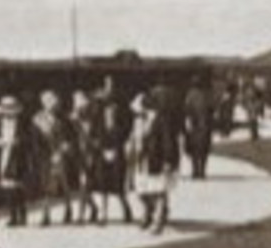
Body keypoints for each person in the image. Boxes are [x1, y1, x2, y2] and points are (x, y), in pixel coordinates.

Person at [32, 89, 80, 226]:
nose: (52, 106)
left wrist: (65, 147)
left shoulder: (62, 120)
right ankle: (45, 215)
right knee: (47, 187)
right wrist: (46, 156)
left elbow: (70, 137)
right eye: (49, 103)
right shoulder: (37, 120)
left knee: (65, 185)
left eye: (54, 104)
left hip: (61, 156)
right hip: (47, 159)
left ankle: (68, 210)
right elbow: (36, 143)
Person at [131, 92, 177, 234]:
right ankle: (147, 215)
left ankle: (158, 221)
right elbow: (136, 139)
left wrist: (168, 161)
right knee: (142, 190)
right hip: (142, 160)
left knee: (158, 191)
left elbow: (167, 141)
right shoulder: (139, 121)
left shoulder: (160, 120)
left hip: (156, 160)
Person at [90, 96, 135, 225]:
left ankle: (126, 210)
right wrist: (101, 148)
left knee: (118, 186)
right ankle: (103, 214)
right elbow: (93, 136)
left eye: (113, 110)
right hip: (102, 155)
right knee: (103, 185)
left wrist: (115, 149)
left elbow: (125, 135)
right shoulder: (97, 120)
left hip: (117, 154)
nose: (110, 112)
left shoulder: (121, 122)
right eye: (108, 109)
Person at [0, 95, 34, 226]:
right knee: (8, 189)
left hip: (18, 157)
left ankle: (22, 215)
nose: (8, 114)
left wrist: (18, 142)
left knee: (18, 188)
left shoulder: (22, 124)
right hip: (4, 155)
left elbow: (28, 140)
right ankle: (12, 216)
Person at [70, 90, 101, 223]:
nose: (81, 109)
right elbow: (70, 137)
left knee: (84, 184)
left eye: (83, 106)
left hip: (90, 154)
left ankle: (81, 215)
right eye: (78, 107)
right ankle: (93, 208)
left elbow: (97, 137)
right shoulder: (73, 121)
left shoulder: (93, 120)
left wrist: (95, 143)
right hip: (78, 154)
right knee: (83, 185)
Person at [182, 78, 214, 180]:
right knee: (204, 149)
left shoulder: (190, 95)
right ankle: (202, 171)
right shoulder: (207, 95)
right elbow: (212, 109)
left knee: (194, 149)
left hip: (195, 126)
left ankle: (195, 170)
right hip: (205, 126)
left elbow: (186, 109)